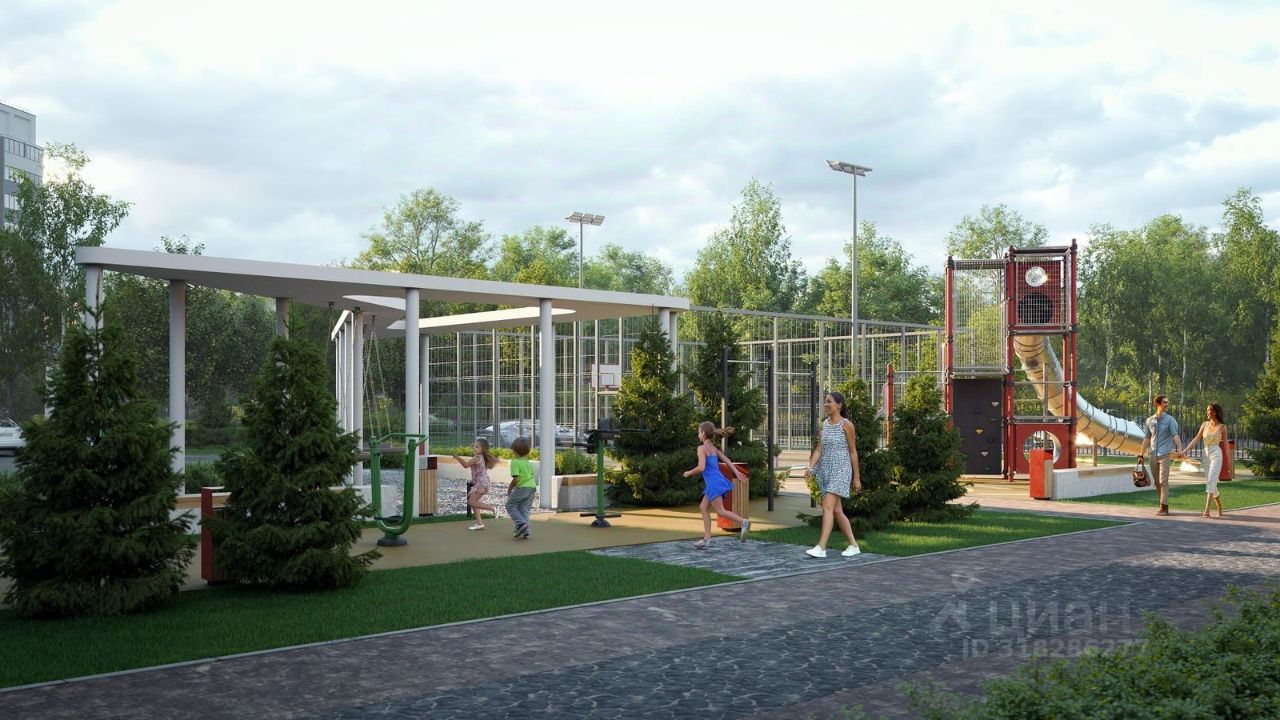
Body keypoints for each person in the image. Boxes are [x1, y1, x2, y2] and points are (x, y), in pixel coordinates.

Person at [804, 390, 863, 559]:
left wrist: (856, 478)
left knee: (827, 507)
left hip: (841, 470)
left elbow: (853, 452)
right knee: (837, 511)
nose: (826, 404)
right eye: (825, 401)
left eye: (829, 401)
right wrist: (811, 468)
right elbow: (819, 449)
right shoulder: (824, 425)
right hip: (826, 472)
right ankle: (854, 545)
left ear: (839, 405)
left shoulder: (847, 425)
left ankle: (821, 547)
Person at [682, 421, 750, 549]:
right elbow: (727, 460)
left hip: (714, 484)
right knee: (703, 507)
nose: (698, 435)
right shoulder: (713, 448)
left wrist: (688, 473)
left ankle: (743, 522)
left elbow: (701, 467)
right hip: (716, 482)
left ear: (703, 433)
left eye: (698, 432)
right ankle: (707, 538)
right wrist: (736, 473)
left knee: (720, 511)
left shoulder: (701, 449)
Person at [1138, 395, 1183, 516]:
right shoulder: (1150, 420)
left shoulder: (1170, 420)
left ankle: (1164, 506)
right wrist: (1141, 454)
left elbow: (1175, 435)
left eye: (1167, 402)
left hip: (1164, 455)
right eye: (1164, 402)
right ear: (1157, 404)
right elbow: (1147, 438)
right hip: (1153, 455)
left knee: (1163, 481)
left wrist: (1180, 448)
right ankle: (1162, 504)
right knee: (1157, 482)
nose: (1167, 404)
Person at [1180, 403, 1227, 519]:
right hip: (1205, 454)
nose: (1207, 412)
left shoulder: (1222, 427)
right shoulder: (1204, 424)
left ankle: (1207, 510)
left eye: (1208, 410)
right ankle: (1220, 506)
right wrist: (1185, 451)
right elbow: (1196, 439)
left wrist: (1228, 462)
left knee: (1211, 480)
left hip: (1216, 454)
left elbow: (1225, 445)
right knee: (1210, 481)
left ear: (1214, 412)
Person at [452, 438, 499, 530]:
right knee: (474, 502)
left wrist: (457, 457)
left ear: (482, 449)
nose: (474, 448)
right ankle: (479, 523)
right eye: (474, 446)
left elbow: (466, 465)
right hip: (480, 482)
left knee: (471, 502)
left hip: (481, 483)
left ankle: (493, 509)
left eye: (477, 447)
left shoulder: (477, 458)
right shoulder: (480, 457)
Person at [505, 436, 537, 539]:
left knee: (510, 505)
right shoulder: (527, 462)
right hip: (532, 487)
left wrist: (510, 488)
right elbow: (531, 475)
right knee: (524, 509)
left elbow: (516, 479)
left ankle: (521, 524)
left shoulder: (515, 462)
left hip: (522, 487)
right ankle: (526, 531)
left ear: (514, 450)